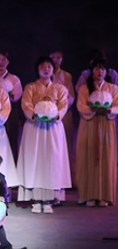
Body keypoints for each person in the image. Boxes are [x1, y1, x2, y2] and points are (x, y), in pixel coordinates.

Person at [17, 57, 72, 214]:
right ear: (37, 69)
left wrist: (56, 115)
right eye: (42, 66)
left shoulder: (60, 88)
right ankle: (36, 198)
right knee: (35, 159)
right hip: (35, 127)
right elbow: (26, 104)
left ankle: (49, 198)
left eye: (49, 66)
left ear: (53, 70)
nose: (46, 69)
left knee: (52, 160)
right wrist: (35, 115)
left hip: (53, 128)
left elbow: (63, 105)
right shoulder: (31, 87)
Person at [75, 59, 118, 207]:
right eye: (97, 69)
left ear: (106, 72)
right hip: (89, 124)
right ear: (92, 71)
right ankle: (89, 195)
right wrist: (91, 109)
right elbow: (81, 106)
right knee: (88, 156)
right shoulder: (84, 89)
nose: (100, 72)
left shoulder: (113, 88)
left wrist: (110, 110)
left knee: (106, 157)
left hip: (106, 123)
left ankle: (105, 196)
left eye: (102, 69)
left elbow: (119, 105)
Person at [49, 50, 78, 185]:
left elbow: (71, 95)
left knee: (66, 143)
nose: (55, 60)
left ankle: (67, 179)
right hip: (47, 113)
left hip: (64, 112)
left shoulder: (66, 76)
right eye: (53, 57)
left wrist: (62, 108)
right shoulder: (45, 74)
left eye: (58, 57)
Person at [0, 52, 24, 161]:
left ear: (8, 62)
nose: (1, 62)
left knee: (11, 137)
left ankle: (11, 163)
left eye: (3, 60)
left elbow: (17, 94)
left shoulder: (14, 78)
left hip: (10, 111)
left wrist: (7, 95)